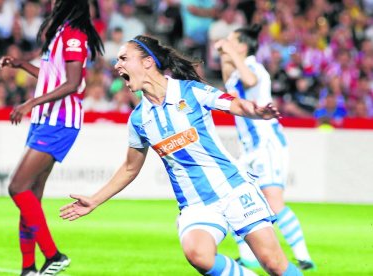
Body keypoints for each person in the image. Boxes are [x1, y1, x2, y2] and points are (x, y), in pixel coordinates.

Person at [60, 35, 302, 276]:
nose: (117, 65)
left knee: (274, 264)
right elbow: (130, 168)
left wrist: (256, 111)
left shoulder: (191, 91)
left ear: (147, 62)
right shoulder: (138, 119)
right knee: (199, 255)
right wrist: (95, 200)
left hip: (234, 189)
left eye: (124, 58)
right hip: (196, 204)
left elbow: (235, 104)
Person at [0, 0, 104, 275]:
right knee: (30, 194)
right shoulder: (62, 32)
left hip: (59, 122)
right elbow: (52, 76)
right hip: (46, 120)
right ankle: (28, 268)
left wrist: (29, 103)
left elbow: (71, 83)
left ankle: (53, 255)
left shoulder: (73, 35)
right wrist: (22, 65)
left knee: (17, 187)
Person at [215, 24, 316, 270]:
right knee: (238, 198)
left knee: (273, 201)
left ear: (243, 46)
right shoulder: (238, 69)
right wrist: (224, 53)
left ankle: (303, 258)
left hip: (266, 143)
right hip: (249, 147)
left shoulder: (253, 66)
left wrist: (232, 52)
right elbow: (230, 78)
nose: (226, 43)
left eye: (231, 40)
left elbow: (250, 81)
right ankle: (248, 258)